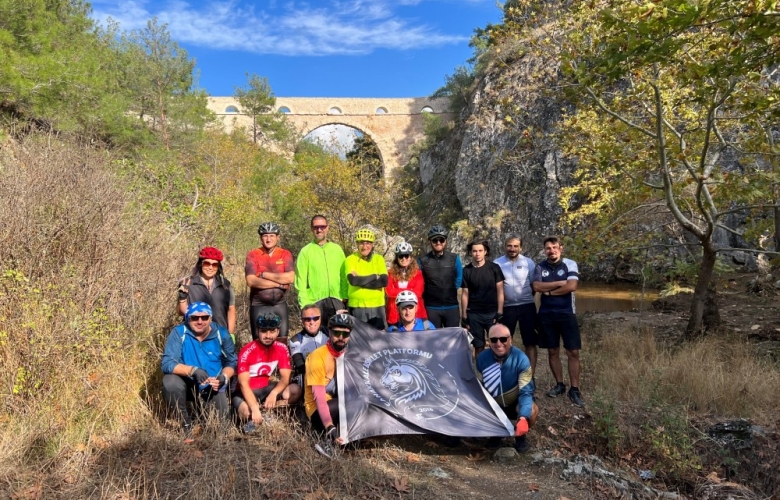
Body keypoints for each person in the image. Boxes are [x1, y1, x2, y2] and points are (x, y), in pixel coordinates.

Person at [161, 302, 237, 437]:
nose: (200, 321)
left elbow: (232, 362)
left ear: (211, 318)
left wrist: (223, 377)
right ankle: (185, 424)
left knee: (222, 431)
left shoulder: (222, 334)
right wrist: (193, 371)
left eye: (204, 317)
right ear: (187, 318)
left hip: (212, 385)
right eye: (194, 318)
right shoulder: (179, 333)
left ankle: (202, 412)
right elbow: (167, 363)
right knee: (169, 381)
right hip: (187, 383)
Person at [531, 236, 584, 407]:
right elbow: (537, 287)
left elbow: (572, 286)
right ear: (544, 250)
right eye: (548, 248)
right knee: (552, 351)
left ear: (561, 248)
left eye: (554, 247)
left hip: (567, 313)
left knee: (573, 352)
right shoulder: (540, 266)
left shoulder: (570, 264)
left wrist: (551, 292)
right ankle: (560, 384)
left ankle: (574, 389)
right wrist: (561, 282)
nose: (551, 250)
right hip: (546, 314)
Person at [233, 312, 301, 432]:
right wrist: (254, 408)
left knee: (295, 390)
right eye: (264, 331)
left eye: (272, 331)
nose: (268, 335)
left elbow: (286, 378)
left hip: (266, 388)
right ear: (258, 331)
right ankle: (259, 413)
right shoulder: (247, 350)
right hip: (246, 391)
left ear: (278, 331)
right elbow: (243, 384)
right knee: (247, 412)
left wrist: (274, 393)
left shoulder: (281, 348)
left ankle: (265, 413)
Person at [476, 324, 539, 453]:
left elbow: (526, 391)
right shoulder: (481, 358)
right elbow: (477, 386)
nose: (499, 343)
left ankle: (520, 436)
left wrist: (523, 417)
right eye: (494, 340)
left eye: (503, 339)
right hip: (494, 405)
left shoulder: (521, 359)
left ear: (511, 339)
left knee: (532, 410)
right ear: (489, 341)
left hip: (514, 403)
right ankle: (496, 434)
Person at [304, 313, 354, 457]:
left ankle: (345, 438)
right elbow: (319, 397)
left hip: (338, 401)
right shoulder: (318, 356)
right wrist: (328, 425)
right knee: (348, 404)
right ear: (330, 332)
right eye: (337, 333)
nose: (341, 337)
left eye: (345, 334)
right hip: (317, 410)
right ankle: (327, 440)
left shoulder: (349, 354)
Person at [495, 235, 538, 378]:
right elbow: (496, 287)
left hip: (527, 306)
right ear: (505, 246)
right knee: (505, 341)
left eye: (515, 246)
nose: (512, 249)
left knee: (530, 342)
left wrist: (523, 296)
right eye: (509, 246)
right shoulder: (497, 263)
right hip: (507, 308)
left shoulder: (528, 262)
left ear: (521, 247)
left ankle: (529, 376)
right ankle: (507, 374)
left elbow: (534, 285)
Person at [245, 222, 295, 342]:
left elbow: (290, 278)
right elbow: (251, 280)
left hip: (279, 304)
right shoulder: (253, 255)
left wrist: (264, 275)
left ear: (278, 237)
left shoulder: (285, 254)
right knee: (259, 342)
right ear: (260, 238)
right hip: (259, 304)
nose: (268, 239)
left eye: (272, 235)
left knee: (281, 341)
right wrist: (279, 283)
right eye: (265, 236)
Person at [294, 215, 348, 324]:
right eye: (316, 227)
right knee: (318, 338)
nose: (319, 230)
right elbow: (301, 281)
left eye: (322, 226)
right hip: (315, 302)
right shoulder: (305, 251)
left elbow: (344, 275)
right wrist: (305, 304)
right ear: (311, 228)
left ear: (327, 228)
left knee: (338, 335)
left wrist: (344, 296)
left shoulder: (336, 249)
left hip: (337, 300)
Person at [176, 246, 236, 342]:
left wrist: (231, 334)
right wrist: (182, 298)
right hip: (194, 336)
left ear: (218, 266)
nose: (210, 267)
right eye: (207, 263)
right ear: (201, 264)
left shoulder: (225, 285)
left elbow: (231, 310)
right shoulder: (187, 282)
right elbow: (181, 312)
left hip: (220, 336)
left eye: (214, 265)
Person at [461, 239, 505, 356]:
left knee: (497, 344)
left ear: (485, 252)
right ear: (471, 252)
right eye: (474, 251)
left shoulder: (494, 268)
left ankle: (498, 371)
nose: (477, 254)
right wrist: (464, 316)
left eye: (480, 250)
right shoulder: (466, 270)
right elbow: (465, 294)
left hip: (492, 313)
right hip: (474, 314)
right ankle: (481, 372)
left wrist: (500, 312)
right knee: (478, 346)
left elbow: (500, 291)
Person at [418, 225, 463, 328]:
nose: (438, 242)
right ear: (430, 241)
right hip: (431, 307)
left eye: (441, 240)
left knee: (452, 340)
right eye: (435, 240)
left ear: (445, 241)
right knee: (433, 340)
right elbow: (419, 281)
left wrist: (449, 289)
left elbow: (459, 278)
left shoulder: (454, 258)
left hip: (451, 306)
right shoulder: (422, 260)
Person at [344, 227, 388, 330]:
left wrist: (361, 281)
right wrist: (374, 276)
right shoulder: (350, 259)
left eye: (368, 243)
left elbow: (384, 281)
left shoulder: (378, 259)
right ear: (357, 244)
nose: (365, 246)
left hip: (377, 305)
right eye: (361, 243)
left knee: (381, 338)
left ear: (372, 244)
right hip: (357, 306)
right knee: (360, 339)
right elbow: (353, 281)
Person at [385, 241, 428, 326]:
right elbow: (389, 291)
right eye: (401, 256)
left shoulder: (417, 273)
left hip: (415, 312)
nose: (404, 258)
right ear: (397, 258)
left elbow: (418, 292)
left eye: (406, 255)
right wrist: (410, 290)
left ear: (411, 257)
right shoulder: (390, 273)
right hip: (395, 313)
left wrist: (397, 291)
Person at [289, 304, 330, 387]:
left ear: (320, 318)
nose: (312, 322)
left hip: (329, 373)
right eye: (307, 319)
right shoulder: (295, 340)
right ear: (302, 321)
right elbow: (300, 366)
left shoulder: (329, 333)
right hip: (309, 376)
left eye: (315, 318)